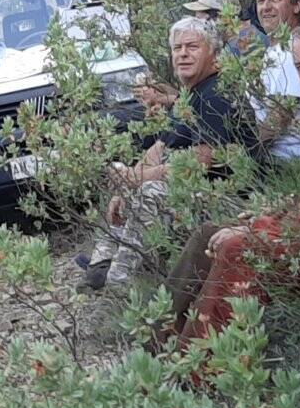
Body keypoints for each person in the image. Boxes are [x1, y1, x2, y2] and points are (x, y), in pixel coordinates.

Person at [162, 20, 300, 344]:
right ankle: (158, 341)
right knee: (207, 235)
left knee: (233, 245)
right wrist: (274, 211)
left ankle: (193, 366)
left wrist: (262, 225)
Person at [76, 16, 257, 289]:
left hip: (230, 200)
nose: (183, 54)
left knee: (151, 192)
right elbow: (159, 147)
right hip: (197, 194)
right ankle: (100, 268)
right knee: (120, 176)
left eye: (192, 47)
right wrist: (126, 181)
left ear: (213, 53)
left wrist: (142, 178)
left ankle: (119, 287)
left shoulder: (218, 93)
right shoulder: (190, 95)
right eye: (177, 48)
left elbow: (201, 160)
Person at [242, 0, 300, 162]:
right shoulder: (276, 50)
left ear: (297, 5)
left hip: (285, 161)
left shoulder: (290, 48)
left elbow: (281, 113)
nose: (266, 7)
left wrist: (245, 155)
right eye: (261, 1)